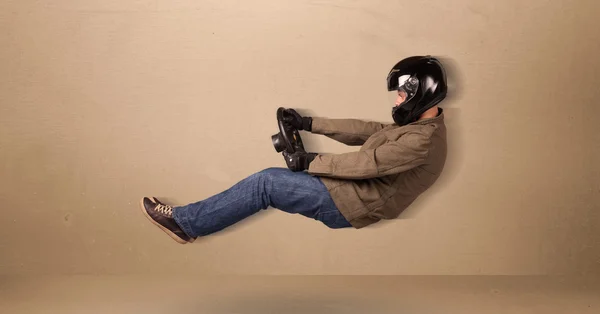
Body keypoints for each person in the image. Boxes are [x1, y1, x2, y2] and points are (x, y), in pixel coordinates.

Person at [139, 55, 448, 244]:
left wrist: (308, 161)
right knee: (268, 181)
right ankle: (190, 221)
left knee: (266, 183)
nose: (396, 101)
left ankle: (185, 223)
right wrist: (308, 122)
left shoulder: (423, 141)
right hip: (352, 190)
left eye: (400, 95)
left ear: (419, 94)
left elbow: (367, 163)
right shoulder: (418, 127)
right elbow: (368, 131)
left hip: (353, 202)